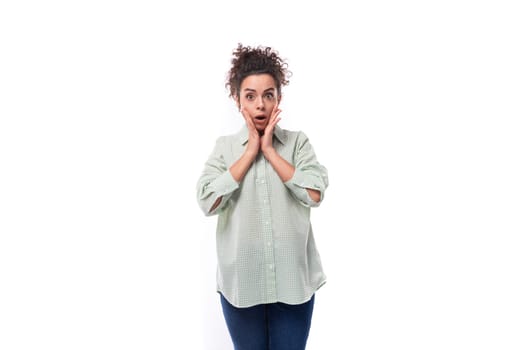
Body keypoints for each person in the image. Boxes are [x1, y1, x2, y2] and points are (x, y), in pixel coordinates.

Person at [196, 43, 329, 350]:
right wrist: (250, 152)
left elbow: (315, 193)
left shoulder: (297, 143)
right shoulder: (225, 148)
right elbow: (206, 200)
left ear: (278, 98)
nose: (260, 105)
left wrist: (269, 151)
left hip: (294, 284)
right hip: (242, 286)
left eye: (268, 95)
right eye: (250, 96)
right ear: (237, 99)